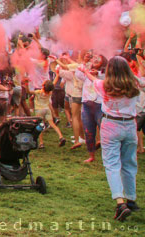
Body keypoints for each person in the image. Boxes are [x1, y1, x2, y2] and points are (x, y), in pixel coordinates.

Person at [80, 57, 143, 221]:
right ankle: (131, 199)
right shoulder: (134, 84)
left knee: (112, 164)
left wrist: (85, 71)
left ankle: (120, 203)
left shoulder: (104, 85)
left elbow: (94, 80)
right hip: (129, 126)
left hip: (111, 125)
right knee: (129, 163)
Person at [77, 54, 107, 163]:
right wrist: (84, 62)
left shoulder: (104, 73)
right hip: (87, 105)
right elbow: (78, 74)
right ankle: (91, 155)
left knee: (104, 132)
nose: (95, 59)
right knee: (88, 132)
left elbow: (104, 77)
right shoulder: (87, 71)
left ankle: (107, 156)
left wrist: (97, 73)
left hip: (100, 106)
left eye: (98, 59)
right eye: (94, 58)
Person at [31, 80, 66, 148]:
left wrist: (26, 84)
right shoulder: (50, 92)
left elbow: (28, 91)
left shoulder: (38, 92)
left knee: (40, 126)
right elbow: (54, 83)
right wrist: (57, 75)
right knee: (52, 124)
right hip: (47, 109)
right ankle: (61, 136)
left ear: (43, 86)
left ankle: (41, 143)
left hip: (39, 110)